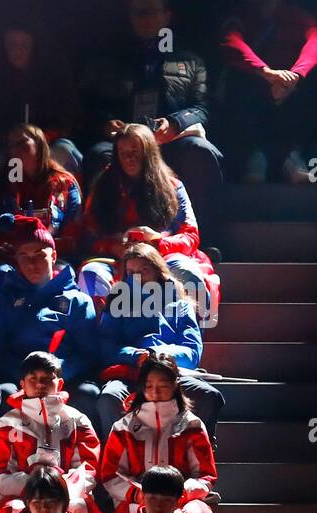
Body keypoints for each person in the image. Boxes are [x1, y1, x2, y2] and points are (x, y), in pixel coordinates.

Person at [78, 0, 223, 239]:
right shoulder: (110, 59)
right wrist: (106, 123)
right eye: (138, 12)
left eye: (151, 12)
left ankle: (203, 239)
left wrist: (175, 123)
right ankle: (108, 240)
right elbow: (87, 107)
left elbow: (204, 107)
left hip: (169, 140)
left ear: (167, 16)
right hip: (123, 141)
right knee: (99, 155)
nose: (144, 18)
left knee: (200, 151)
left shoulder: (190, 60)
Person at [78, 124, 220, 321]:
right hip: (118, 260)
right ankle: (103, 335)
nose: (129, 158)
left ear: (148, 152)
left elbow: (190, 235)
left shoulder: (173, 187)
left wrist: (157, 241)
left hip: (163, 257)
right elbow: (88, 234)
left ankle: (186, 336)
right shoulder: (102, 187)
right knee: (91, 274)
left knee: (188, 272)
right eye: (123, 152)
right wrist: (115, 245)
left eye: (135, 151)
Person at [0, 214, 101, 423]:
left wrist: (53, 376)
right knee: (3, 393)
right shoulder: (1, 301)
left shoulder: (78, 301)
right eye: (24, 256)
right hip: (18, 380)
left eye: (39, 255)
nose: (32, 263)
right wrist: (29, 379)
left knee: (88, 393)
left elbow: (87, 352)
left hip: (63, 378)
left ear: (53, 256)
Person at [96, 242, 221, 436]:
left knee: (208, 396)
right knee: (109, 398)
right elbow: (106, 348)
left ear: (157, 271)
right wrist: (136, 356)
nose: (137, 278)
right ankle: (116, 458)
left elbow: (192, 352)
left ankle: (195, 452)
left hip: (170, 373)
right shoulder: (117, 304)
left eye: (144, 270)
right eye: (131, 272)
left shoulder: (180, 305)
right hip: (132, 372)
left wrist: (158, 356)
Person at [0, 351, 104, 513]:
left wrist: (56, 490)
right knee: (13, 510)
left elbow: (88, 469)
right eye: (33, 379)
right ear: (22, 384)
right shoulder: (8, 423)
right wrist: (35, 488)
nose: (40, 385)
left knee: (80, 506)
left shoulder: (77, 420)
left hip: (67, 496)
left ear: (60, 384)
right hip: (20, 496)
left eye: (47, 379)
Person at [98, 352, 220, 513]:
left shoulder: (191, 424)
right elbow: (111, 474)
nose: (155, 392)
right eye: (149, 386)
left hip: (182, 499)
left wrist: (179, 493)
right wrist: (141, 495)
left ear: (175, 385)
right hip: (135, 500)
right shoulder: (124, 427)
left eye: (162, 386)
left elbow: (205, 474)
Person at [218, 0, 317, 184]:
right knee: (240, 83)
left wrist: (295, 75)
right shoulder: (242, 15)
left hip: (289, 86)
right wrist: (265, 72)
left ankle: (292, 156)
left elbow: (316, 43)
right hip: (254, 84)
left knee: (310, 86)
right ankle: (254, 157)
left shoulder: (297, 16)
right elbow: (231, 42)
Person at [0, 123, 83, 297]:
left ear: (39, 145)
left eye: (22, 143)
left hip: (53, 258)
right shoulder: (1, 184)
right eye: (11, 145)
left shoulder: (65, 183)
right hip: (12, 259)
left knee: (64, 276)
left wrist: (45, 250)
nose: (16, 149)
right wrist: (1, 247)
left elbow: (75, 232)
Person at [0, 21, 82, 175]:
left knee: (64, 151)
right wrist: (13, 138)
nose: (18, 50)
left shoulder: (54, 76)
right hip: (8, 144)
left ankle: (56, 197)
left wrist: (40, 139)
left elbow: (67, 118)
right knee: (6, 160)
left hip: (50, 142)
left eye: (24, 44)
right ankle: (12, 197)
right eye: (12, 44)